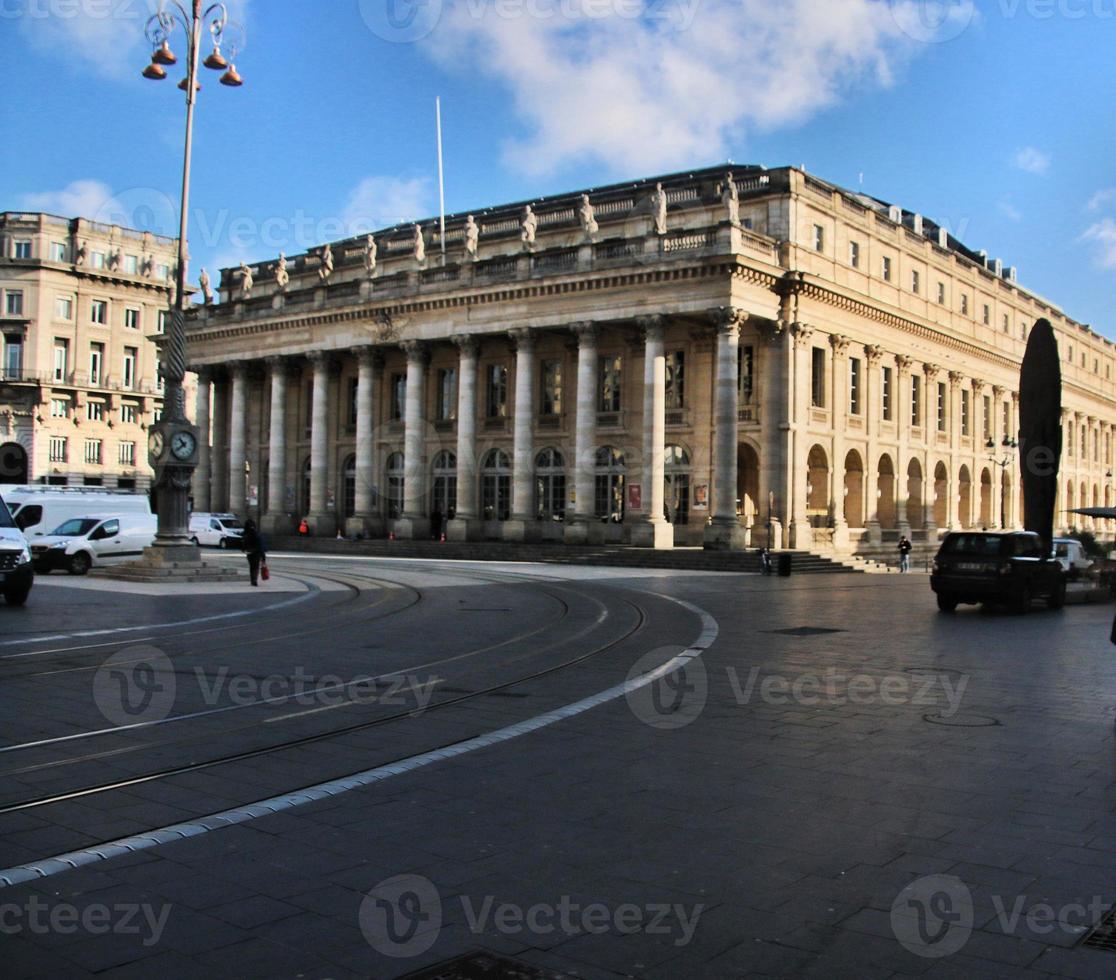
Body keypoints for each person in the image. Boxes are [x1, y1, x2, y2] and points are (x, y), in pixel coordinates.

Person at [242, 519, 266, 587]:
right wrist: (263, 557)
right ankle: (254, 579)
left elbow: (243, 544)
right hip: (256, 552)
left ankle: (253, 579)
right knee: (255, 566)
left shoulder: (246, 534)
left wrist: (244, 549)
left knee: (252, 566)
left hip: (250, 552)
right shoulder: (256, 533)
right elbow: (260, 545)